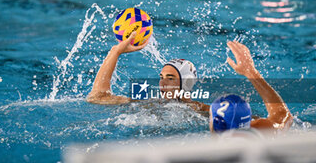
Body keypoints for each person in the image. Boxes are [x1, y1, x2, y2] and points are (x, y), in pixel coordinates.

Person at [87, 32, 292, 129]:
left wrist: (251, 72)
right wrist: (115, 52)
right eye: (161, 77)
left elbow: (281, 118)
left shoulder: (211, 112)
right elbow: (97, 98)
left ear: (185, 84)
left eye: (170, 78)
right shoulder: (148, 104)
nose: (162, 83)